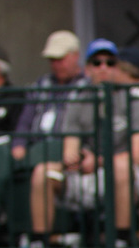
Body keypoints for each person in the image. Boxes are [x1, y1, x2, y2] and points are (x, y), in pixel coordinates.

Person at [11, 39, 139, 248]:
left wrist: (98, 160)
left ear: (118, 67)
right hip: (85, 175)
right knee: (44, 172)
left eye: (110, 62)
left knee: (120, 167)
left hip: (126, 177)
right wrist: (80, 160)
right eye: (97, 62)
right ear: (87, 68)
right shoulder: (78, 101)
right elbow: (69, 152)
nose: (103, 68)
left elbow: (138, 155)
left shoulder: (131, 101)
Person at [11, 30, 84, 162]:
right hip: (36, 148)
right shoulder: (41, 84)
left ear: (76, 56)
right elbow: (25, 121)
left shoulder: (86, 86)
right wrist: (19, 145)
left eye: (60, 59)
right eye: (52, 60)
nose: (55, 65)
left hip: (68, 153)